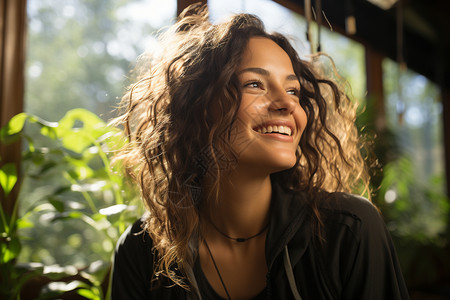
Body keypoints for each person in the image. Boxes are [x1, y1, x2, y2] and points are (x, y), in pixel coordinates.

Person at [111, 4, 410, 300]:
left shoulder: (348, 231)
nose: (288, 104)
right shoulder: (141, 251)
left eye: (293, 90)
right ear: (198, 107)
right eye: (255, 84)